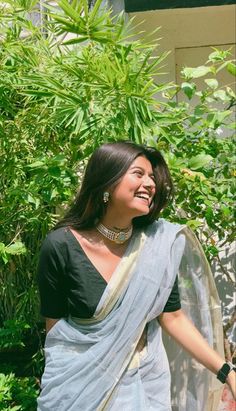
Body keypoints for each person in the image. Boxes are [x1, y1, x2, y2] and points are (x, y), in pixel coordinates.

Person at [37, 141, 235, 411]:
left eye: (152, 177)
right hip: (79, 390)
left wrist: (228, 372)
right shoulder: (60, 246)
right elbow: (57, 334)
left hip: (144, 385)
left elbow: (173, 317)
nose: (150, 183)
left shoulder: (155, 246)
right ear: (107, 181)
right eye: (138, 173)